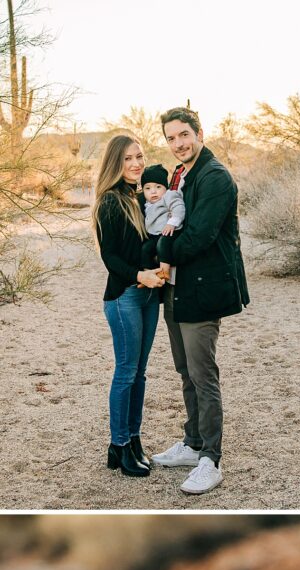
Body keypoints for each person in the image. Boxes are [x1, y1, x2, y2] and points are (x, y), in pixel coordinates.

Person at [151, 107, 249, 495]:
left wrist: (159, 249)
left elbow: (199, 236)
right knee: (185, 371)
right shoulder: (180, 174)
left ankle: (211, 458)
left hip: (203, 289)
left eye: (183, 135)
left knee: (203, 374)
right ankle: (192, 444)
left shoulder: (215, 177)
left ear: (199, 133)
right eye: (171, 138)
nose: (178, 144)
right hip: (177, 287)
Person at [92, 135, 165, 477]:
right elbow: (110, 257)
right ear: (115, 163)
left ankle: (133, 440)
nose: (136, 164)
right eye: (127, 159)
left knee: (139, 372)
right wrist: (139, 275)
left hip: (149, 295)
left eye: (139, 157)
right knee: (125, 372)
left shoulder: (141, 197)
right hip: (124, 297)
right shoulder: (110, 201)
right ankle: (118, 445)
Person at [139, 164, 186, 281]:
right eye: (148, 188)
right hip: (155, 234)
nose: (153, 191)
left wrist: (172, 222)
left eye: (158, 187)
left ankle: (164, 271)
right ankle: (148, 275)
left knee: (163, 245)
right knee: (146, 249)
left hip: (170, 231)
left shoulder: (169, 195)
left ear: (165, 188)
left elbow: (179, 206)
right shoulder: (146, 203)